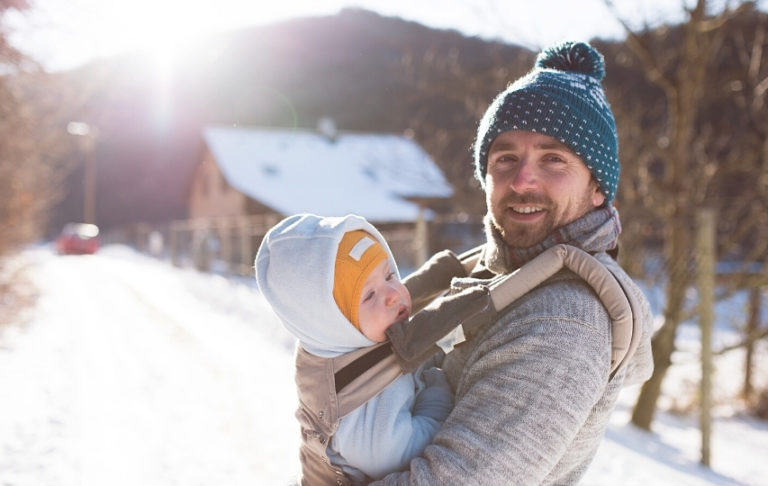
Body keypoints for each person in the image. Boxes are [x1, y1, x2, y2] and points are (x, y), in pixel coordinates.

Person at [371, 40, 654, 485]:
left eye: (554, 159)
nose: (523, 181)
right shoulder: (491, 275)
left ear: (598, 187)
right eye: (505, 158)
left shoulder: (562, 319)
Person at [255, 213, 453, 484]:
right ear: (332, 323)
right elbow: (403, 453)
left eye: (390, 274)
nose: (393, 293)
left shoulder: (354, 337)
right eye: (369, 295)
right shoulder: (354, 399)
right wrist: (440, 387)